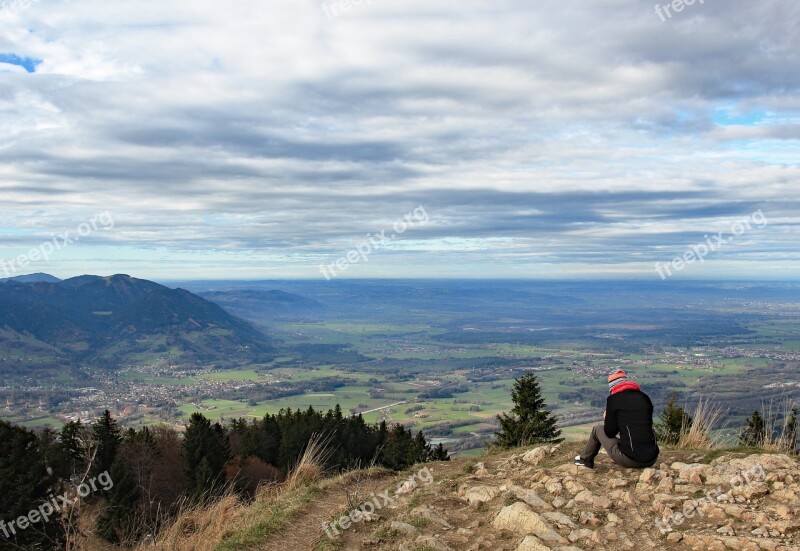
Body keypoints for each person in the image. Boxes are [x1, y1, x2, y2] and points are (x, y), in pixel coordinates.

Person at [574, 369, 659, 469]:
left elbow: (610, 432)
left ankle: (585, 460)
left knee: (597, 429)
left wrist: (608, 418)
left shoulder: (613, 400)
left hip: (631, 459)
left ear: (612, 386)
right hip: (652, 458)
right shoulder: (644, 397)